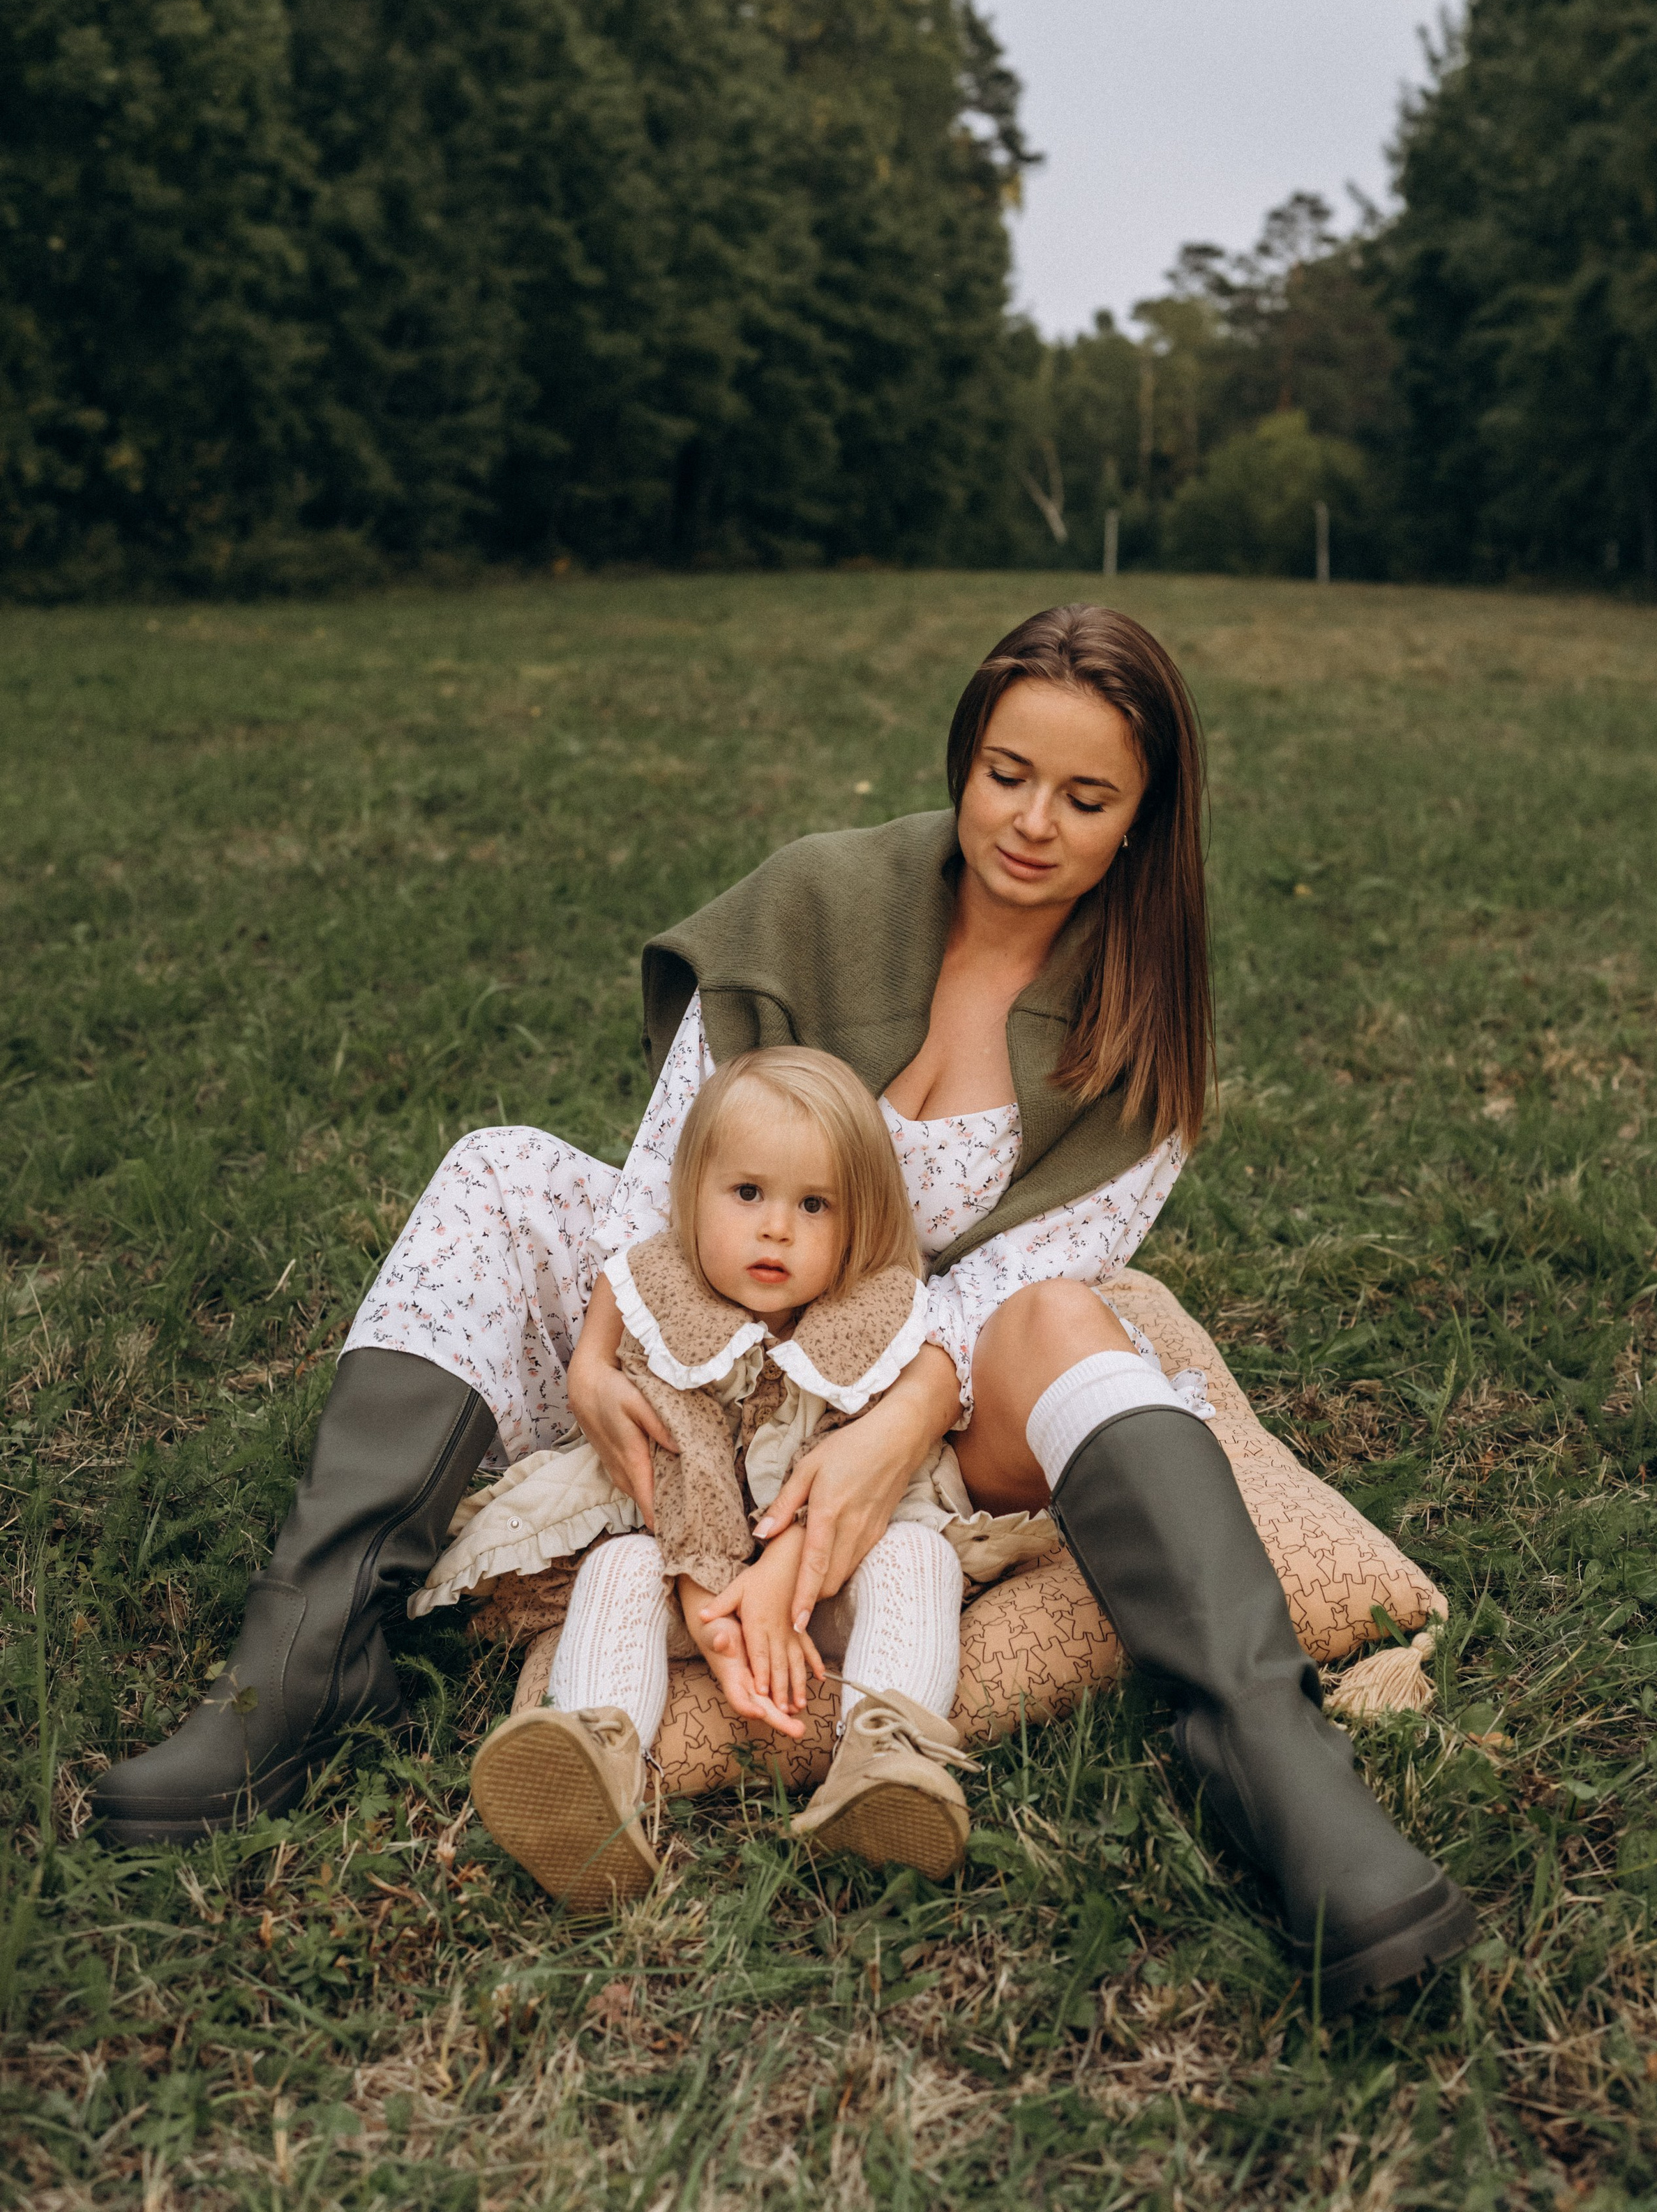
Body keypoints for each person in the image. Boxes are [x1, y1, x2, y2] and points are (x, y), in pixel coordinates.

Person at [91, 601, 1472, 2011]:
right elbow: (664, 1184)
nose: (1031, 823)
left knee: (1069, 1313)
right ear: (962, 756)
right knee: (499, 1171)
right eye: (1005, 772)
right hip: (712, 1343)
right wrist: (604, 1350)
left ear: (1144, 821)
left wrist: (867, 1452)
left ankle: (1271, 1766)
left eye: (1085, 795)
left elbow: (998, 1291)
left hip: (924, 1401)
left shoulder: (1139, 1023)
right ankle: (307, 1662)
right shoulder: (816, 900)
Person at [467, 1044, 1051, 1911]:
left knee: (919, 1560)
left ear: (855, 1225)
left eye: (813, 1205)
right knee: (617, 1568)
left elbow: (873, 1466)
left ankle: (886, 1760)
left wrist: (792, 1576)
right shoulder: (663, 1307)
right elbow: (679, 1460)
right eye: (748, 1194)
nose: (776, 1227)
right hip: (690, 1576)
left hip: (833, 1580)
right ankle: (596, 1760)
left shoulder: (879, 1318)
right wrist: (711, 1604)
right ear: (691, 1199)